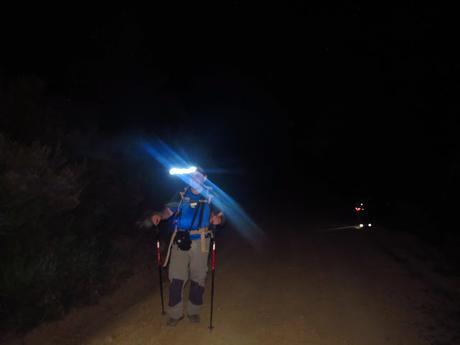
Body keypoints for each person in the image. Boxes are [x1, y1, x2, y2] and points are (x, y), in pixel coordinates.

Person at [151, 167, 224, 326]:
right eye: (191, 176)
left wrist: (218, 220)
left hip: (201, 242)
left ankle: (193, 311)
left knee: (198, 278)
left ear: (204, 177)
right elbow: (168, 211)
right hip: (181, 241)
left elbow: (220, 214)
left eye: (197, 176)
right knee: (176, 278)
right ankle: (175, 314)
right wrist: (160, 215)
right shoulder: (181, 194)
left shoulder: (211, 195)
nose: (193, 178)